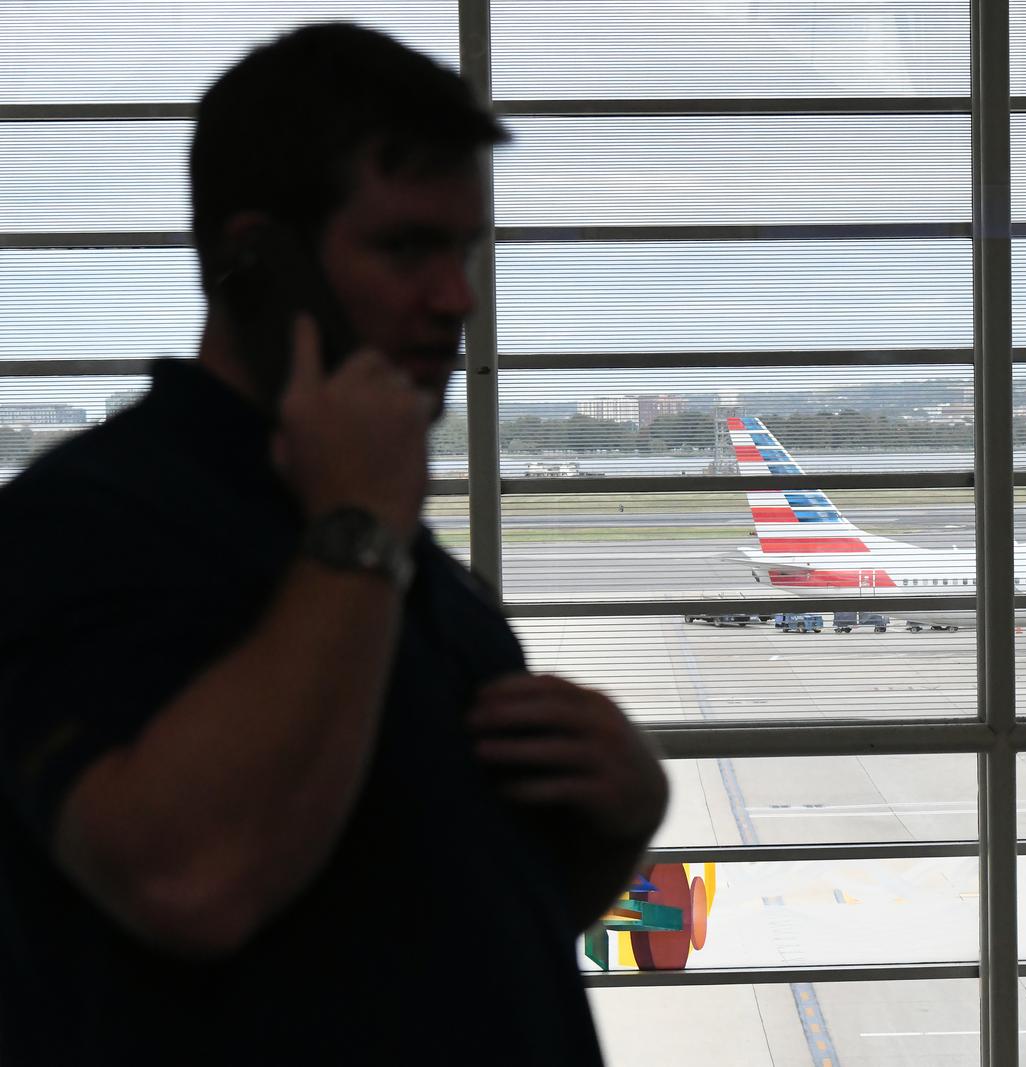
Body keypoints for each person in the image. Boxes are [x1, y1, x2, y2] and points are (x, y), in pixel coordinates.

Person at [0, 24, 666, 1065]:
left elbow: (426, 916)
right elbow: (188, 879)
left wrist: (619, 816)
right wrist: (354, 530)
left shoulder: (403, 555)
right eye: (407, 247)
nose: (457, 299)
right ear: (256, 260)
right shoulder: (81, 525)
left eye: (466, 251)